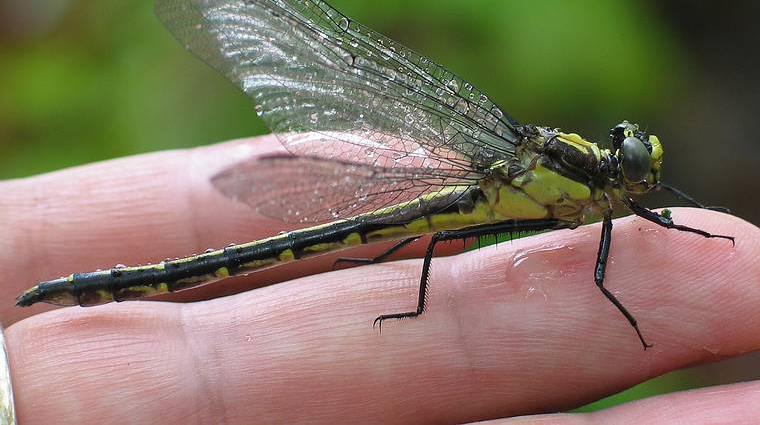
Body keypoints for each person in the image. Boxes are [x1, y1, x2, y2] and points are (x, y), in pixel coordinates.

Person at [3, 136, 758, 424]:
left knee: (436, 241)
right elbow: (602, 273)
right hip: (443, 205)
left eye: (640, 166)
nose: (640, 177)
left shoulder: (593, 192)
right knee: (434, 241)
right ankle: (94, 294)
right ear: (611, 173)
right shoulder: (575, 184)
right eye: (634, 168)